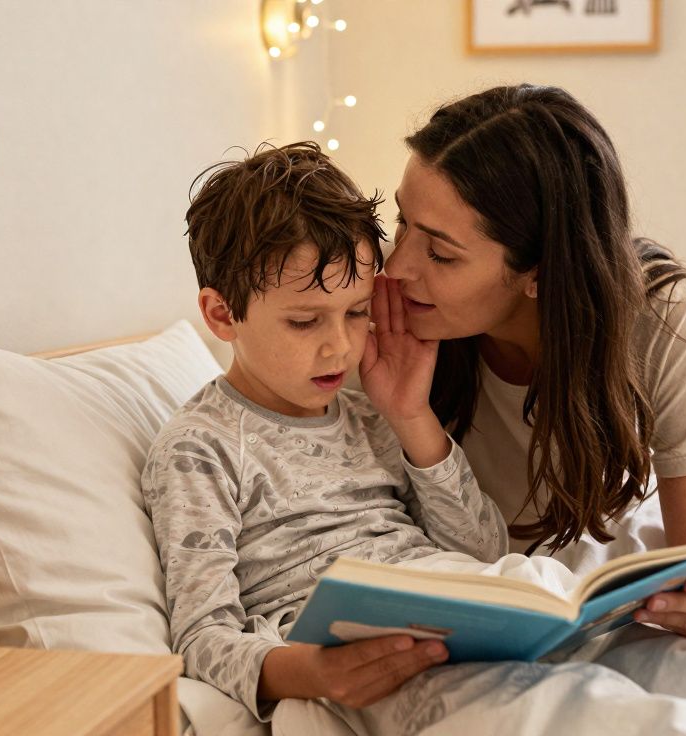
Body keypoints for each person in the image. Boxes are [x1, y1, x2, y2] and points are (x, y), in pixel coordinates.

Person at [370, 83, 686, 644]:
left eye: (440, 252)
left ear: (540, 271)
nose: (397, 264)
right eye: (401, 220)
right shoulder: (383, 314)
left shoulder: (663, 318)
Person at [140, 141, 520, 720]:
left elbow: (484, 550)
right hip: (349, 647)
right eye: (303, 321)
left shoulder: (371, 415)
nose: (340, 346)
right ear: (221, 315)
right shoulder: (201, 449)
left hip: (449, 600)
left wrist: (412, 417)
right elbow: (201, 635)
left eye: (357, 311)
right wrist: (311, 673)